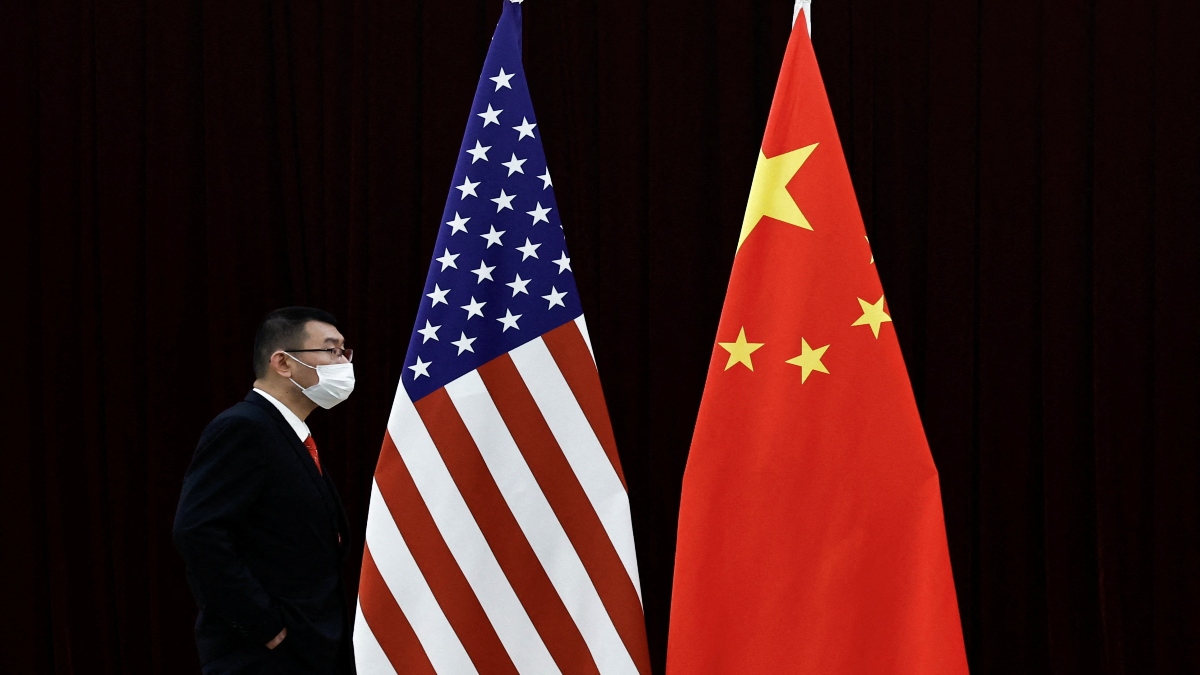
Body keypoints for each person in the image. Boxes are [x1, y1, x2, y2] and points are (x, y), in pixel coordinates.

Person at [174, 306, 357, 674]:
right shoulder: (244, 427)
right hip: (264, 655)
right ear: (283, 362)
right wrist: (264, 624)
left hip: (314, 647)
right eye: (330, 350)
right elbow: (198, 532)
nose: (343, 362)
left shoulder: (292, 432)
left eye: (344, 352)